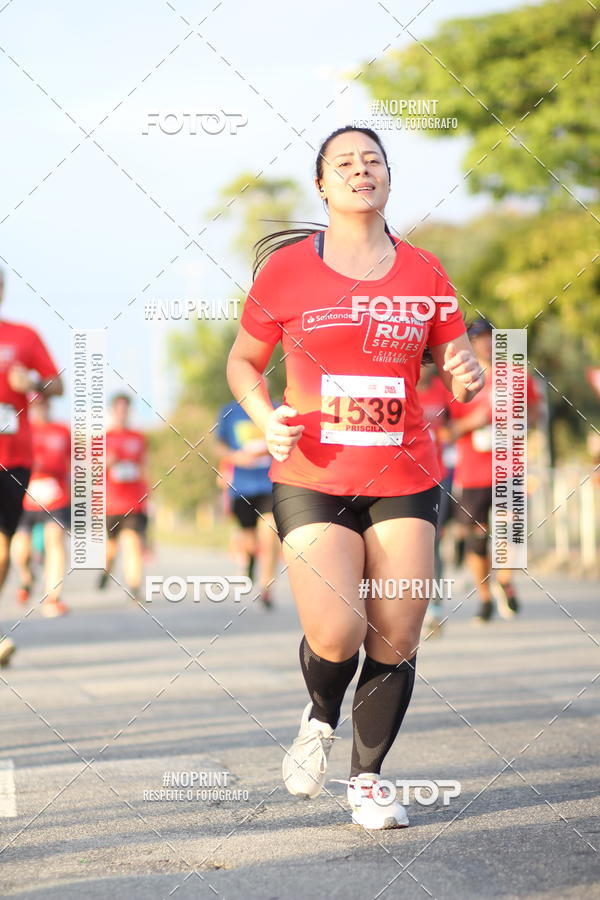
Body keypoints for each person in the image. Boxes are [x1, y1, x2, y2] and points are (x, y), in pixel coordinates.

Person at [226, 126, 484, 828]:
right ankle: (318, 717)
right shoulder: (286, 274)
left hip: (404, 469)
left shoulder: (424, 271)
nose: (360, 171)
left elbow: (459, 367)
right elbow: (243, 362)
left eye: (373, 161)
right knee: (338, 633)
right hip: (313, 470)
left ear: (388, 180)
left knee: (397, 632)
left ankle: (367, 780)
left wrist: (467, 372)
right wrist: (263, 416)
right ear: (323, 184)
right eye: (345, 163)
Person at [448, 318, 540, 623]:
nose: (485, 343)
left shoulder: (516, 375)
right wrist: (472, 422)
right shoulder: (460, 380)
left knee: (510, 529)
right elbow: (444, 431)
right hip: (473, 472)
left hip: (508, 467)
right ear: (470, 344)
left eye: (490, 338)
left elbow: (536, 414)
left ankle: (505, 581)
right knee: (478, 538)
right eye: (478, 339)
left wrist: (517, 422)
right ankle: (485, 598)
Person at [0, 268, 63, 665]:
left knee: (4, 543)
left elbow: (58, 384)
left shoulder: (24, 336)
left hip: (14, 456)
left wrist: (33, 380)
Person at [215, 400, 279, 609]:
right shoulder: (229, 411)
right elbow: (218, 445)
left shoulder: (276, 408)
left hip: (270, 483)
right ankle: (251, 557)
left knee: (270, 533)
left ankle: (266, 588)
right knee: (249, 539)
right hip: (241, 487)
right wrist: (235, 457)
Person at [11, 394, 70, 617]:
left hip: (56, 497)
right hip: (26, 497)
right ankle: (26, 577)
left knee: (54, 538)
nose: (39, 408)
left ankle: (52, 597)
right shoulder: (19, 430)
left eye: (43, 404)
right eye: (34, 405)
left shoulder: (62, 430)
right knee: (19, 548)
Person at [99, 393, 148, 602]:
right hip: (111, 503)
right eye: (118, 409)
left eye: (125, 409)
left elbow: (145, 466)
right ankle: (106, 570)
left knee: (132, 542)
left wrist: (148, 494)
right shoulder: (103, 438)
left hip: (133, 501)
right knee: (111, 548)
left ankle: (134, 587)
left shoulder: (138, 438)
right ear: (112, 411)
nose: (122, 413)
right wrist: (107, 462)